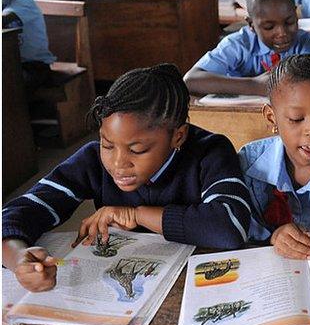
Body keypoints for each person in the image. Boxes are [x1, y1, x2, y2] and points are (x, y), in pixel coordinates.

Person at [1, 64, 250, 292]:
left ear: (178, 136)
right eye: (107, 145)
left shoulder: (210, 152)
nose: (118, 164)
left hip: (199, 285)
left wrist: (135, 214)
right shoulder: (92, 160)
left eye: (137, 150)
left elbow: (229, 227)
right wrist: (18, 258)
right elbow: (20, 212)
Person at [240, 55, 310, 258]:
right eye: (297, 119)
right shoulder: (248, 164)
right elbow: (239, 231)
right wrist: (272, 237)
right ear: (271, 117)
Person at [184, 0, 310, 95]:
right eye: (269, 27)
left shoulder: (308, 43)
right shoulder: (239, 45)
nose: (282, 32)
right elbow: (191, 80)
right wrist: (254, 85)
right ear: (251, 25)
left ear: (296, 14)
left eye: (289, 22)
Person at [2, 0, 56, 90]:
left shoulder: (23, 1)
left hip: (33, 67)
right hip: (9, 63)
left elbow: (4, 20)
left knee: (7, 85)